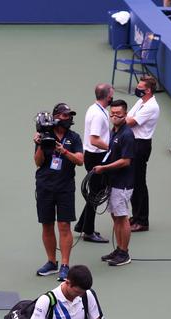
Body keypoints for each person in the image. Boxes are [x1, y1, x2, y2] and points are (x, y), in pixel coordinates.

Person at [33, 103, 84, 281]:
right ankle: (51, 262)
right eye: (64, 115)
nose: (68, 118)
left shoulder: (74, 137)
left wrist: (64, 151)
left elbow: (79, 160)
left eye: (69, 115)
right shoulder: (45, 135)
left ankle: (64, 265)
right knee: (47, 224)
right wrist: (39, 145)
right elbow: (38, 162)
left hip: (65, 188)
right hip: (45, 186)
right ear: (55, 117)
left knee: (64, 226)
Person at [93, 100, 135, 266]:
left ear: (125, 114)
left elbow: (126, 161)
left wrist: (104, 168)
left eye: (118, 113)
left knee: (122, 217)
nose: (114, 116)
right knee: (115, 217)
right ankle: (119, 248)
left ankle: (124, 253)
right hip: (114, 181)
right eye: (112, 113)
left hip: (123, 184)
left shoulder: (127, 135)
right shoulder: (114, 132)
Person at [76, 83, 113, 244]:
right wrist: (113, 147)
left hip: (93, 156)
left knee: (95, 192)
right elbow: (95, 140)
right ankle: (88, 231)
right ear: (107, 96)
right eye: (112, 94)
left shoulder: (96, 109)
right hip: (96, 157)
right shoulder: (98, 114)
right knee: (95, 194)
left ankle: (82, 225)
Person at [126, 75, 160, 232]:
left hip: (141, 145)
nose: (137, 89)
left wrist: (120, 119)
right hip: (134, 143)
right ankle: (136, 216)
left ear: (148, 90)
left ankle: (143, 221)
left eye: (140, 88)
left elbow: (130, 121)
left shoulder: (152, 106)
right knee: (133, 182)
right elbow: (128, 116)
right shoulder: (141, 101)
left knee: (139, 183)